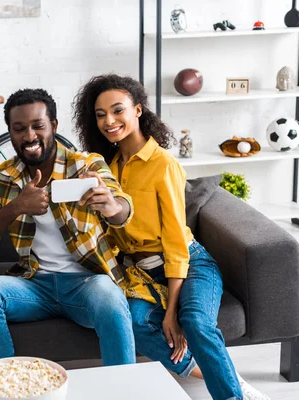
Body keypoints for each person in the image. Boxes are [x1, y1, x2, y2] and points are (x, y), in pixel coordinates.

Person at [72, 74, 270, 400]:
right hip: (140, 273)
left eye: (117, 110)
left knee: (193, 321)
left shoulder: (162, 164)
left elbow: (176, 241)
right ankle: (222, 375)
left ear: (137, 110)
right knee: (131, 322)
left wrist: (171, 312)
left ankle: (231, 395)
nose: (108, 121)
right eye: (100, 114)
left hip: (189, 263)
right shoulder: (107, 167)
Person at [0, 88, 137, 366]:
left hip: (86, 284)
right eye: (19, 129)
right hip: (35, 287)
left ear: (53, 126)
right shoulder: (5, 175)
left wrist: (113, 206)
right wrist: (16, 206)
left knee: (108, 294)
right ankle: (10, 390)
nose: (29, 136)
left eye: (38, 126)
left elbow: (122, 207)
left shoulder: (85, 165)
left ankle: (122, 390)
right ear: (10, 132)